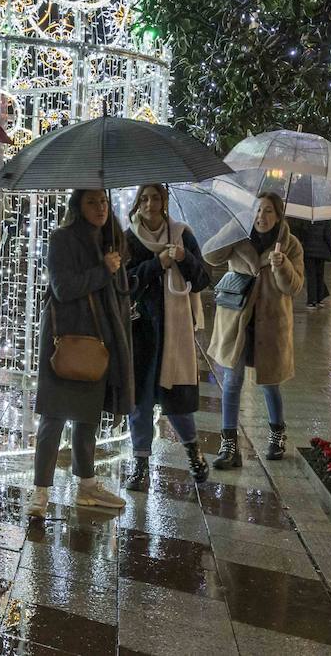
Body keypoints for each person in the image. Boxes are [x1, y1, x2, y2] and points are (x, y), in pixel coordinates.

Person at [26, 189, 133, 517]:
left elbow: (119, 292)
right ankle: (40, 492)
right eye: (91, 202)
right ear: (78, 206)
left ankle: (87, 486)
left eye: (103, 201)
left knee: (88, 416)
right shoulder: (62, 239)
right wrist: (103, 270)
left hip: (100, 338)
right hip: (66, 337)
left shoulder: (111, 239)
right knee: (54, 416)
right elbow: (62, 287)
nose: (100, 207)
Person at [207, 193, 304, 469]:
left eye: (268, 211)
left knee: (269, 382)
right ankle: (229, 447)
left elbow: (294, 287)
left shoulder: (291, 245)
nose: (261, 216)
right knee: (232, 381)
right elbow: (210, 254)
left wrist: (281, 265)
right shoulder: (239, 237)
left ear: (278, 215)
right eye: (257, 210)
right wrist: (233, 225)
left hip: (270, 323)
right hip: (237, 321)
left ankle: (277, 434)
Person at [123, 184, 210, 491]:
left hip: (176, 331)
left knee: (176, 401)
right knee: (140, 402)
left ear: (164, 202)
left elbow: (202, 279)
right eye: (144, 199)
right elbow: (126, 283)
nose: (149, 204)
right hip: (142, 331)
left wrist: (184, 258)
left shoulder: (182, 234)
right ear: (138, 203)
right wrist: (156, 265)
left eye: (155, 198)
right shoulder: (130, 238)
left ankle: (194, 452)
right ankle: (140, 464)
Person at [290, 218, 331, 309]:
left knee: (311, 276)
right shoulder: (326, 217)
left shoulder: (304, 216)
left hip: (307, 250)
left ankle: (312, 301)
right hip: (321, 249)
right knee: (320, 274)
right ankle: (319, 299)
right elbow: (328, 235)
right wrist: (330, 251)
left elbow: (298, 231)